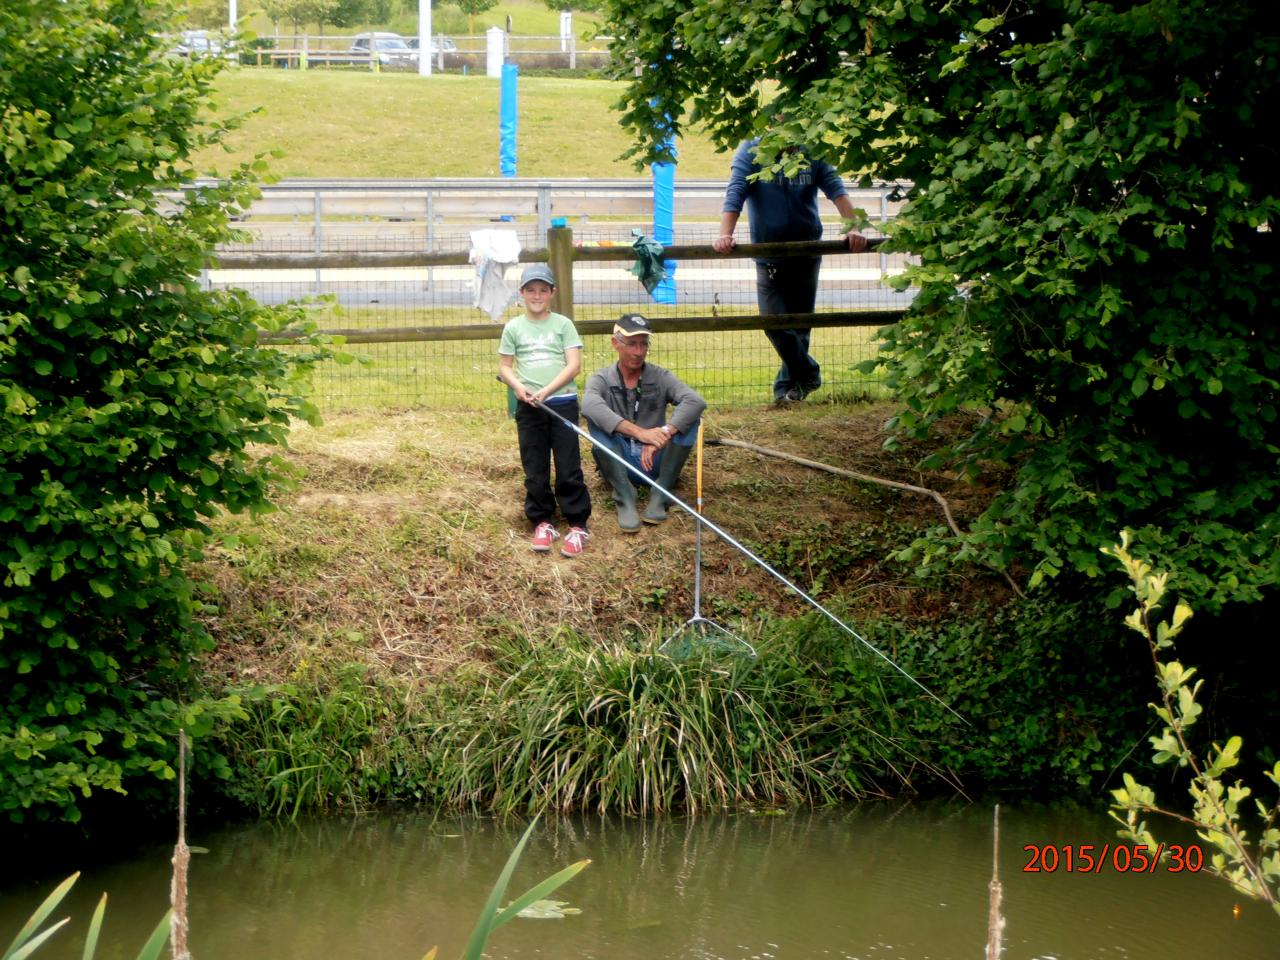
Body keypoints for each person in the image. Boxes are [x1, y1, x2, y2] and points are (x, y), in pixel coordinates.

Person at [712, 138, 869, 404]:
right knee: (773, 322)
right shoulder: (752, 151)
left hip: (807, 251)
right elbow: (736, 192)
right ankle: (809, 374)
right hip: (768, 254)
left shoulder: (812, 148)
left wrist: (854, 227)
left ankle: (787, 393)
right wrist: (725, 235)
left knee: (799, 327)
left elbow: (836, 189)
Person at [497, 264, 592, 556]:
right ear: (522, 293)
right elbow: (505, 366)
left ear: (552, 292)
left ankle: (577, 524)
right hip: (529, 407)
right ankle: (542, 521)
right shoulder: (513, 327)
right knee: (535, 466)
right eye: (531, 290)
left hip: (560, 403)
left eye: (543, 290)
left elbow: (573, 365)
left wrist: (547, 391)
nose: (537, 295)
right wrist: (518, 387)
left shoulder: (563, 325)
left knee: (568, 466)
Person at [582, 313, 708, 531]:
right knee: (596, 420)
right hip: (619, 459)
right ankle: (625, 496)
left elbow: (695, 401)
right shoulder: (601, 378)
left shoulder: (660, 376)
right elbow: (589, 405)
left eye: (643, 344)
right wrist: (640, 433)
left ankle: (661, 493)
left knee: (690, 420)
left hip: (656, 460)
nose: (638, 352)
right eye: (631, 344)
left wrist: (663, 434)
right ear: (615, 343)